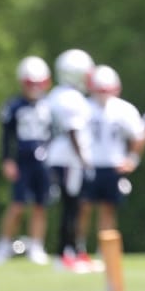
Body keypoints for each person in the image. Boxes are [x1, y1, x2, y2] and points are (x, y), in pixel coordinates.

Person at [0, 56, 55, 265]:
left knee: (40, 204)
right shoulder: (14, 106)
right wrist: (7, 160)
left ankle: (36, 245)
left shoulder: (50, 105)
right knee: (18, 204)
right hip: (22, 159)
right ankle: (3, 244)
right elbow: (5, 137)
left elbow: (56, 134)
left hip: (45, 160)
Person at [79, 65, 145, 253]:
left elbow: (139, 136)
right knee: (83, 208)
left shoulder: (124, 109)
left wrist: (131, 159)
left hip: (113, 165)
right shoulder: (84, 107)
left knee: (108, 209)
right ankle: (78, 247)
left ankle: (104, 250)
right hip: (88, 164)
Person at [46, 48, 96, 272]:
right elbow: (73, 131)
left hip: (59, 156)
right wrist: (84, 159)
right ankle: (66, 254)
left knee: (72, 207)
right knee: (71, 207)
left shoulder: (57, 94)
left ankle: (72, 251)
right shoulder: (71, 99)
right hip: (68, 159)